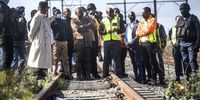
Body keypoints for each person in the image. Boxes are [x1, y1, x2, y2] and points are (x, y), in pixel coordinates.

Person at [136, 7, 164, 85]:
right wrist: (143, 33)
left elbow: (150, 30)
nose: (142, 14)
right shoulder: (141, 21)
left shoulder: (153, 20)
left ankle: (154, 78)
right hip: (142, 44)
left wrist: (142, 33)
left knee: (153, 62)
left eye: (144, 13)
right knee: (146, 62)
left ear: (148, 12)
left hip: (150, 43)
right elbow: (137, 32)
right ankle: (149, 77)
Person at [27, 1, 53, 78]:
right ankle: (37, 73)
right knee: (38, 59)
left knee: (43, 59)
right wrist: (32, 40)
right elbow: (32, 31)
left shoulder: (45, 17)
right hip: (39, 41)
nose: (46, 10)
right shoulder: (37, 17)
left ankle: (42, 72)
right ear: (41, 8)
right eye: (45, 8)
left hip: (45, 41)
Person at [71, 7, 96, 80]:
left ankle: (87, 76)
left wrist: (84, 26)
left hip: (87, 42)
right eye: (79, 12)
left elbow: (93, 25)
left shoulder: (87, 18)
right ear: (75, 13)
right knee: (79, 60)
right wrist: (86, 27)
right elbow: (77, 29)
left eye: (81, 12)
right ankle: (79, 76)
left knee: (87, 59)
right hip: (78, 43)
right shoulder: (73, 20)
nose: (80, 13)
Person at [99, 8, 123, 78]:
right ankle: (105, 73)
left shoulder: (118, 19)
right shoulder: (103, 20)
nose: (111, 13)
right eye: (110, 12)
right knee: (106, 58)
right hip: (107, 41)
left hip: (116, 41)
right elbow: (100, 31)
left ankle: (118, 73)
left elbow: (122, 29)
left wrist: (117, 30)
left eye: (112, 12)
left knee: (117, 57)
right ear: (107, 13)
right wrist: (106, 32)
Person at [177, 3, 200, 75]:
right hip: (182, 43)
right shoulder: (180, 19)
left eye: (183, 9)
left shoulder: (194, 18)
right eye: (180, 9)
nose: (182, 11)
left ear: (188, 9)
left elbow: (198, 31)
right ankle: (188, 77)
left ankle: (195, 77)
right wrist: (178, 42)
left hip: (191, 43)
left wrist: (197, 44)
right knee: (185, 60)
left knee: (192, 60)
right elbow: (178, 31)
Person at [124, 11, 145, 82]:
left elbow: (138, 35)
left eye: (133, 15)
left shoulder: (138, 24)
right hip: (129, 47)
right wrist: (126, 42)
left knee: (138, 62)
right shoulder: (127, 25)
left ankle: (140, 77)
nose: (131, 16)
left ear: (135, 16)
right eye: (130, 15)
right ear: (128, 17)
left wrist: (131, 42)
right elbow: (125, 35)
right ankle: (136, 76)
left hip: (136, 45)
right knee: (133, 62)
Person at [51, 9, 71, 79]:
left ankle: (67, 73)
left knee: (65, 58)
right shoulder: (52, 21)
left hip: (64, 41)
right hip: (56, 41)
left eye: (59, 13)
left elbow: (66, 30)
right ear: (54, 14)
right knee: (55, 58)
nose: (58, 14)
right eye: (57, 13)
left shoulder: (63, 21)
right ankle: (54, 72)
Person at [169, 15, 185, 82]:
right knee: (177, 63)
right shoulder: (172, 28)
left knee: (185, 62)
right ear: (176, 21)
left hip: (183, 48)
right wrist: (173, 44)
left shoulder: (185, 27)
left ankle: (186, 76)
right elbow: (170, 37)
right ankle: (177, 76)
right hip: (175, 48)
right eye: (178, 20)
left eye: (180, 19)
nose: (179, 21)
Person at [87, 3, 101, 79]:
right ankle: (88, 74)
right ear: (88, 11)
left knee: (93, 58)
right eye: (91, 10)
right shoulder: (85, 18)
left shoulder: (96, 19)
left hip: (95, 41)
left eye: (93, 10)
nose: (92, 11)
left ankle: (95, 73)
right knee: (88, 58)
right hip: (88, 41)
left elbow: (100, 28)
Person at [12, 6, 27, 73]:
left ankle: (18, 73)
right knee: (16, 59)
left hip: (20, 40)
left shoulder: (23, 19)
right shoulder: (13, 19)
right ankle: (12, 75)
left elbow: (24, 31)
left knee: (22, 59)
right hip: (16, 41)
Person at [0, 0, 13, 70]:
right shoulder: (2, 6)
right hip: (4, 37)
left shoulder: (5, 7)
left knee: (7, 59)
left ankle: (5, 77)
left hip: (7, 36)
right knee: (6, 59)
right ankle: (3, 78)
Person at [63, 8, 74, 75]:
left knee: (70, 57)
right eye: (67, 12)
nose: (68, 13)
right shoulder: (61, 20)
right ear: (64, 13)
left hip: (71, 41)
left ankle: (69, 73)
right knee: (64, 58)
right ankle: (65, 72)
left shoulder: (72, 20)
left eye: (69, 11)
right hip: (64, 41)